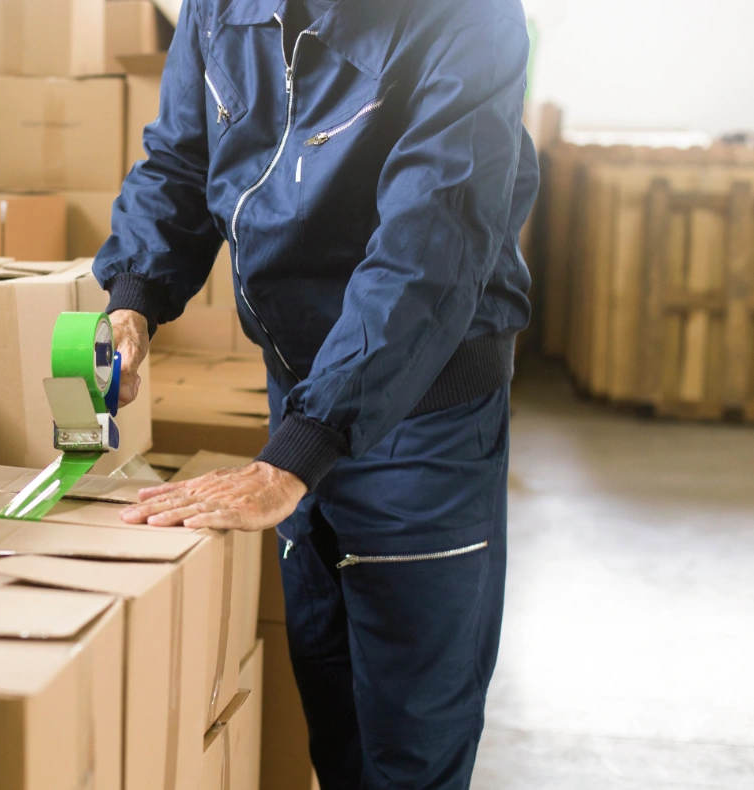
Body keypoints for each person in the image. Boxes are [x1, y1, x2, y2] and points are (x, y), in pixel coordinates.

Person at [92, 0, 537, 787]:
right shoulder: (222, 7)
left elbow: (426, 249)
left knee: (409, 742)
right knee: (332, 720)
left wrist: (298, 454)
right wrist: (132, 298)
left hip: (423, 410)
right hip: (302, 397)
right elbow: (181, 160)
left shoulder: (469, 19)